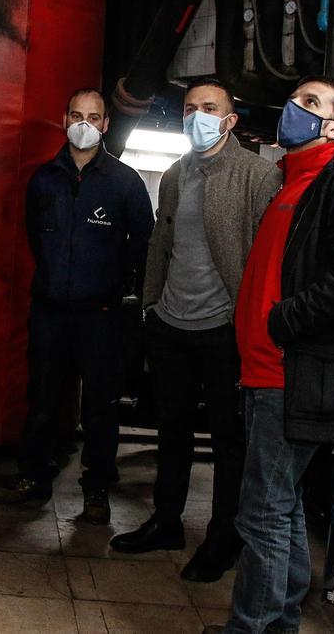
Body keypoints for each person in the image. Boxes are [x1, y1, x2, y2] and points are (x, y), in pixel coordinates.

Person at [203, 76, 334, 634]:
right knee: (281, 508)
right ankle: (279, 619)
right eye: (294, 99)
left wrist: (283, 323)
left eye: (311, 103)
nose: (294, 109)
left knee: (260, 512)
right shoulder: (290, 181)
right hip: (264, 370)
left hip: (293, 371)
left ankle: (250, 627)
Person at [110, 78, 281, 583]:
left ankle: (223, 538)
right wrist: (152, 306)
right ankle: (166, 522)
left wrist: (246, 323)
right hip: (171, 325)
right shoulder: (175, 175)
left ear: (230, 120)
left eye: (210, 108)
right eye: (189, 108)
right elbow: (161, 246)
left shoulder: (259, 175)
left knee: (230, 441)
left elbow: (265, 258)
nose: (197, 117)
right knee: (173, 432)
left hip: (224, 330)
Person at [0, 88, 153, 524]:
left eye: (93, 117)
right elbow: (34, 237)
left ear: (105, 124)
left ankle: (97, 489)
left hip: (101, 316)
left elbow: (144, 246)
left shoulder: (125, 183)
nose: (84, 124)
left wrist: (124, 296)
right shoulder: (45, 179)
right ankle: (33, 478)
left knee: (99, 406)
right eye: (77, 115)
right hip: (49, 311)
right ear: (65, 118)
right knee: (42, 398)